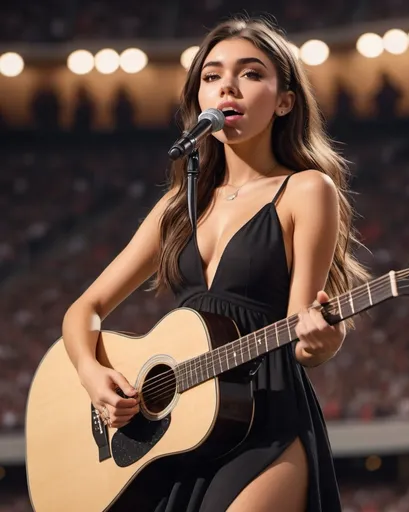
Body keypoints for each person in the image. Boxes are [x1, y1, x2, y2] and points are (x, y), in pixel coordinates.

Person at [62, 16, 368, 512]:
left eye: (250, 73)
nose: (227, 85)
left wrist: (321, 338)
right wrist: (91, 373)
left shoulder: (307, 190)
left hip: (264, 421)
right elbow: (85, 308)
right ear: (199, 100)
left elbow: (306, 330)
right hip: (179, 434)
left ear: (285, 100)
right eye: (211, 76)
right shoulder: (175, 208)